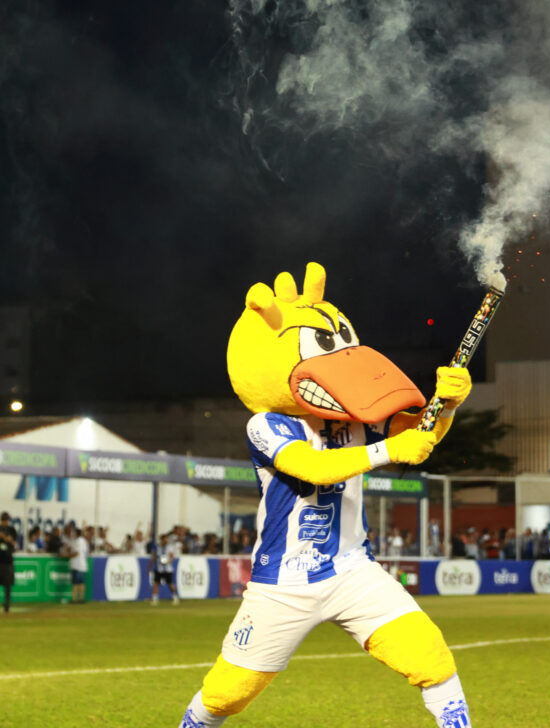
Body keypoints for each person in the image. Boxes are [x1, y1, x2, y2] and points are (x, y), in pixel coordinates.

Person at [178, 262, 474, 728]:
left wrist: (448, 407)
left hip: (353, 570)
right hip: (283, 583)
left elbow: (420, 432)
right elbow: (312, 467)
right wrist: (388, 450)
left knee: (429, 656)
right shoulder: (267, 424)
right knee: (226, 695)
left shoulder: (354, 415)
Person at [149, 533, 180, 605]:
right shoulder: (157, 547)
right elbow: (153, 557)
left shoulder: (169, 547)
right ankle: (155, 599)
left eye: (166, 539)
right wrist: (149, 567)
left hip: (167, 569)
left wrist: (168, 561)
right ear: (161, 540)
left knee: (170, 584)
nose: (166, 540)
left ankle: (175, 597)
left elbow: (172, 556)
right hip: (159, 569)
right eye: (164, 539)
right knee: (155, 584)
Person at [0, 512, 17, 614]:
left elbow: (14, 543)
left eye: (6, 520)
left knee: (8, 586)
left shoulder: (11, 530)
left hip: (8, 561)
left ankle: (7, 606)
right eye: (4, 520)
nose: (5, 521)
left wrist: (5, 538)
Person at [67, 526, 89, 603]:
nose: (72, 534)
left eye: (74, 533)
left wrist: (67, 555)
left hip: (78, 564)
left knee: (76, 583)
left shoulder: (79, 541)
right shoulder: (80, 541)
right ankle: (81, 598)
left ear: (76, 533)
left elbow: (77, 553)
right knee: (80, 582)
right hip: (79, 564)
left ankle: (75, 598)